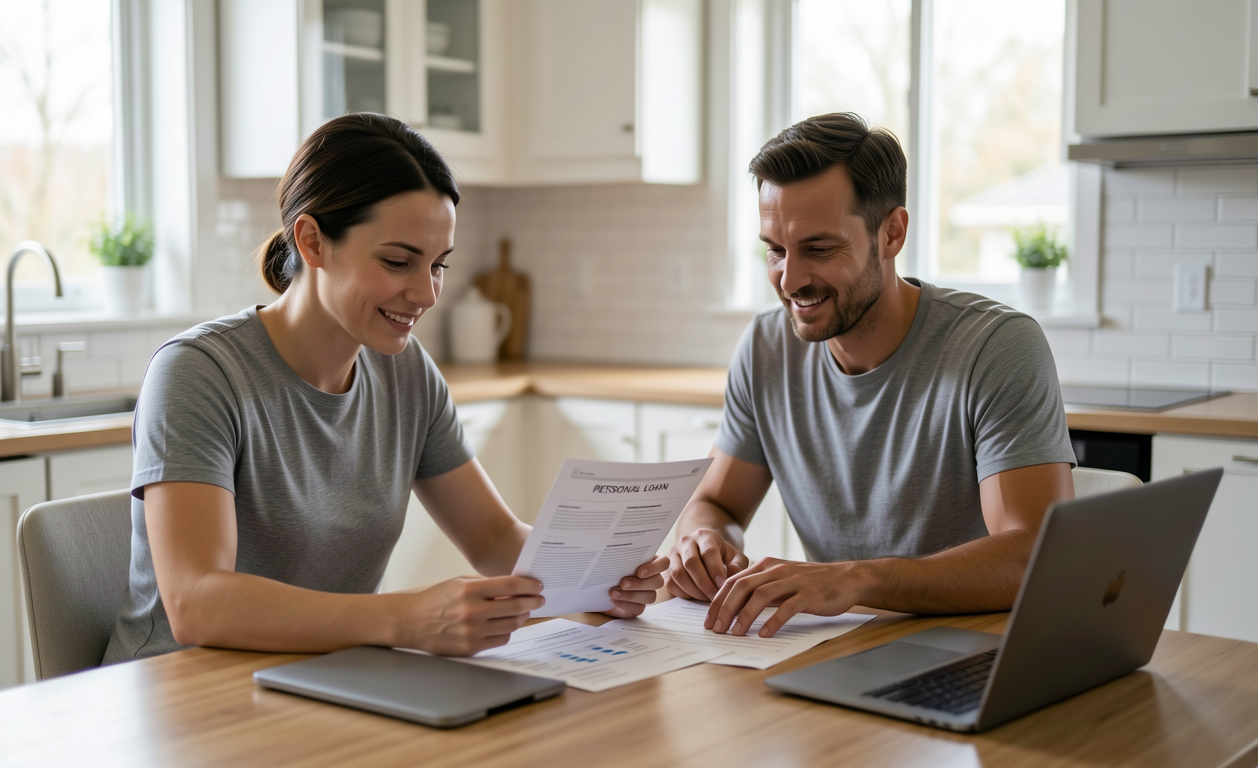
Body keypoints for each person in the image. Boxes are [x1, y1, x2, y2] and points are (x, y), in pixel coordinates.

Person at [103, 114, 666, 664]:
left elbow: (493, 538)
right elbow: (196, 603)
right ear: (311, 241)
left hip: (322, 679)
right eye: (398, 262)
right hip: (180, 697)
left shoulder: (405, 372)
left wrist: (595, 585)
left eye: (439, 265)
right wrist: (406, 619)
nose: (425, 293)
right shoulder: (199, 374)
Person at [665, 112, 1077, 638]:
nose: (789, 279)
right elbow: (715, 501)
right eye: (775, 250)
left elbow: (1034, 554)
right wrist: (701, 541)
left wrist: (853, 580)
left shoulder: (995, 347)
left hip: (980, 648)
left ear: (892, 233)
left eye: (818, 249)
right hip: (843, 649)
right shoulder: (767, 348)